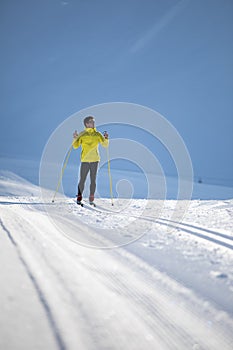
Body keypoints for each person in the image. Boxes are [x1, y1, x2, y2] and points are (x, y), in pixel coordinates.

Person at [72, 116, 109, 206]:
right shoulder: (82, 134)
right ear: (86, 124)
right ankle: (79, 197)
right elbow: (75, 146)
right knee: (82, 180)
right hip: (85, 160)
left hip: (95, 160)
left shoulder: (97, 134)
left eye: (93, 121)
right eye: (91, 122)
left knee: (93, 180)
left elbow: (105, 145)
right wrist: (75, 138)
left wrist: (106, 138)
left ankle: (91, 198)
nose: (93, 123)